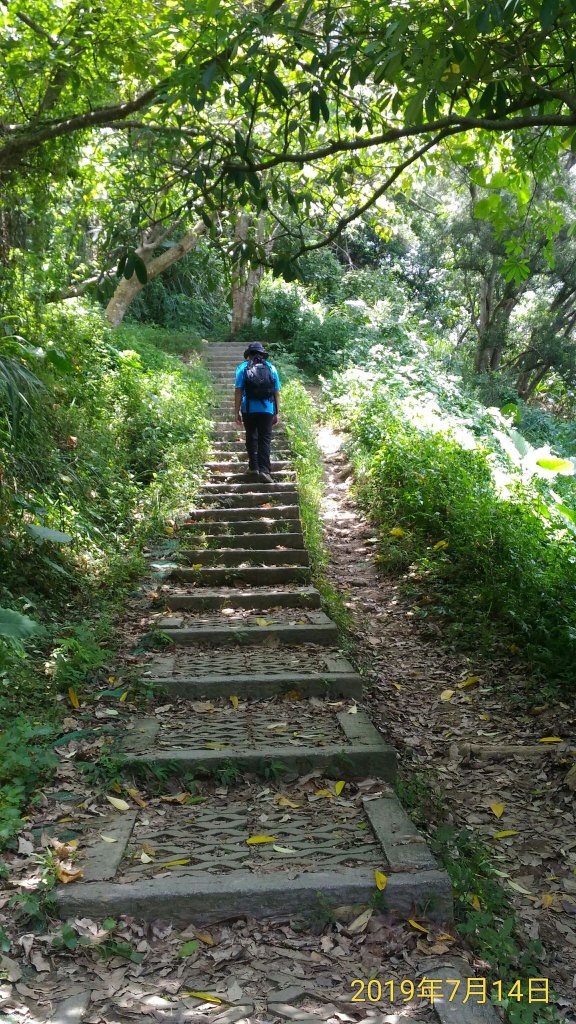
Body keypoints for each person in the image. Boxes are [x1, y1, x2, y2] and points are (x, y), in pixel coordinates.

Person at [234, 342, 281, 483]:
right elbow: (277, 392)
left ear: (249, 354)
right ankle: (265, 470)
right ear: (261, 354)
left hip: (248, 409)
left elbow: (238, 391)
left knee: (251, 436)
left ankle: (253, 467)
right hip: (267, 409)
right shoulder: (271, 368)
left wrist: (236, 412)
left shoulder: (242, 368)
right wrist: (277, 412)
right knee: (264, 439)